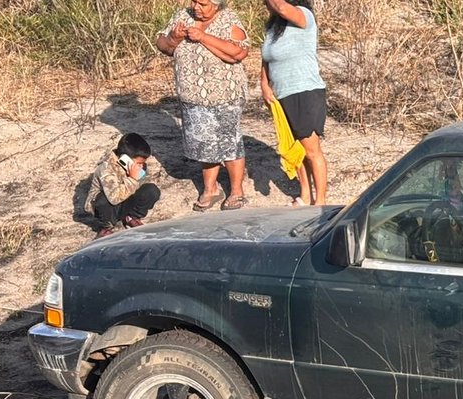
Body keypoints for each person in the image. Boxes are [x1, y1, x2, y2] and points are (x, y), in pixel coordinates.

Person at [155, 0, 251, 212]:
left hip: (225, 94)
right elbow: (163, 45)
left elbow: (239, 52)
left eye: (203, 3)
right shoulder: (183, 15)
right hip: (192, 96)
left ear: (217, 5)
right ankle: (210, 188)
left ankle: (236, 191)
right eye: (195, 1)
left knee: (229, 141)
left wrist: (203, 37)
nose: (196, 6)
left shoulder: (229, 19)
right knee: (204, 142)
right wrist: (174, 38)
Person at [260, 0, 328, 205]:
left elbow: (281, 7)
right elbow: (266, 58)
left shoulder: (304, 15)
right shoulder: (273, 27)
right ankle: (305, 194)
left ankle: (321, 200)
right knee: (295, 149)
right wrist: (264, 84)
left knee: (311, 149)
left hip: (304, 91)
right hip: (281, 94)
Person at [85, 134, 161, 239]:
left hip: (125, 200)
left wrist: (138, 177)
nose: (140, 166)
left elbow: (141, 188)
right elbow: (114, 198)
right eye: (138, 163)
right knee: (102, 200)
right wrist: (132, 179)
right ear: (125, 159)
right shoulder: (106, 169)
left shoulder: (137, 166)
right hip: (108, 205)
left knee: (151, 190)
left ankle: (131, 217)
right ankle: (106, 226)